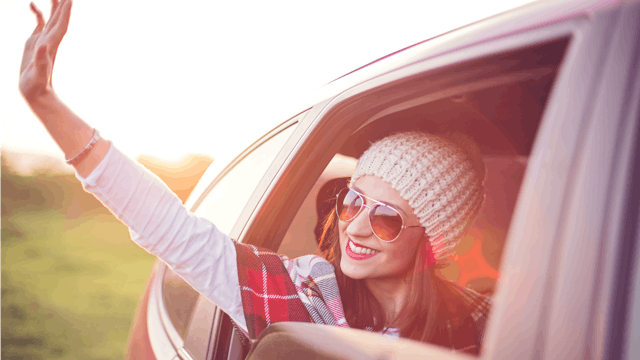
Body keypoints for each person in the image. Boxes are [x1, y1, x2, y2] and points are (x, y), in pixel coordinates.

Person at [19, 0, 490, 355]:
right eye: (352, 201)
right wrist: (44, 102)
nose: (356, 225)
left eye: (386, 217)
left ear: (434, 242)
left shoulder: (482, 323)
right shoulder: (307, 297)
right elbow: (173, 230)